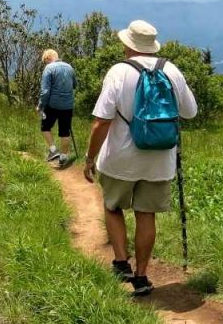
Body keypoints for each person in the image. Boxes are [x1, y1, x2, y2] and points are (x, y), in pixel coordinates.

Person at [83, 20, 198, 296]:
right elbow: (190, 112)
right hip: (160, 158)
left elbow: (101, 122)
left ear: (127, 45)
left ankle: (121, 262)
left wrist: (90, 157)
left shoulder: (118, 72)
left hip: (120, 158)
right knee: (146, 214)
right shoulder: (171, 70)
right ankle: (142, 277)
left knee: (112, 207)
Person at [37, 49, 76, 168]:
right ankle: (63, 157)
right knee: (65, 132)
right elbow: (75, 84)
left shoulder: (49, 69)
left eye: (45, 61)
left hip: (52, 104)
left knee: (45, 127)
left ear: (48, 58)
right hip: (68, 105)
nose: (46, 64)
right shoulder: (70, 67)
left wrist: (40, 105)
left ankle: (53, 150)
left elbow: (45, 91)